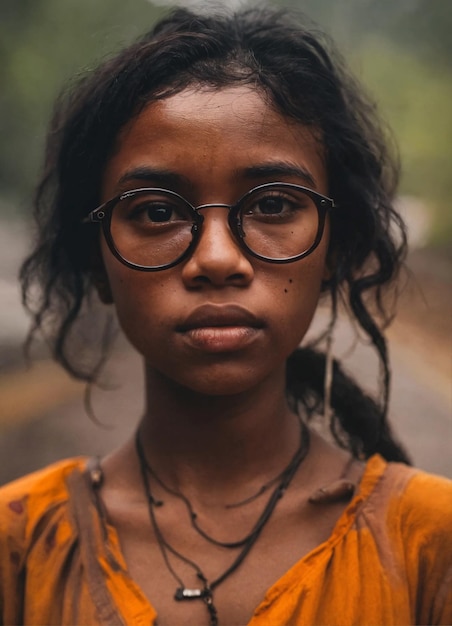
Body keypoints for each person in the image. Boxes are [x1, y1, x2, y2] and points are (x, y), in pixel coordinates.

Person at [1, 6, 451, 626]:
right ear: (95, 259)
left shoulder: (433, 544)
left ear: (335, 250)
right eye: (157, 213)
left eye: (271, 205)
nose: (217, 259)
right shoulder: (19, 546)